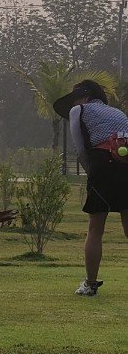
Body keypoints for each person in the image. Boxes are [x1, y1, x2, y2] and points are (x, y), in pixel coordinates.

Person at [54, 79, 128, 296]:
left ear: (84, 97)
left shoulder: (80, 109)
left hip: (102, 163)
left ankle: (91, 284)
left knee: (96, 228)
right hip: (125, 164)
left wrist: (90, 170)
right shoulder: (118, 113)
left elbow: (79, 146)